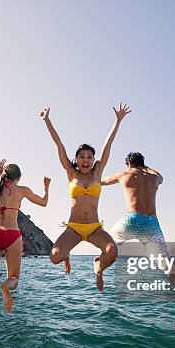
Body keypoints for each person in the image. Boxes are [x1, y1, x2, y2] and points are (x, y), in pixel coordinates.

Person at [39, 103, 131, 291]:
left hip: (94, 228)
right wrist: (47, 121)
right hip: (73, 228)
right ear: (76, 159)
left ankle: (98, 266)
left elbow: (108, 144)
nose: (86, 160)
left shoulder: (98, 172)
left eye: (89, 157)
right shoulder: (71, 173)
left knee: (112, 252)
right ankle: (66, 256)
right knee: (55, 257)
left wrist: (117, 121)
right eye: (82, 156)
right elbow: (59, 144)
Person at [102, 152, 175, 328]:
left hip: (131, 220)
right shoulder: (154, 178)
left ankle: (100, 267)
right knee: (165, 263)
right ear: (144, 163)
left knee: (105, 244)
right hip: (151, 223)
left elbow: (100, 181)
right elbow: (161, 176)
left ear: (128, 164)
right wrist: (145, 167)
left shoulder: (124, 174)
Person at [0, 160, 50, 339]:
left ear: (3, 175)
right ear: (18, 177)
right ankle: (6, 286)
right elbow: (44, 203)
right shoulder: (22, 190)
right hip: (13, 235)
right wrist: (46, 187)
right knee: (13, 277)